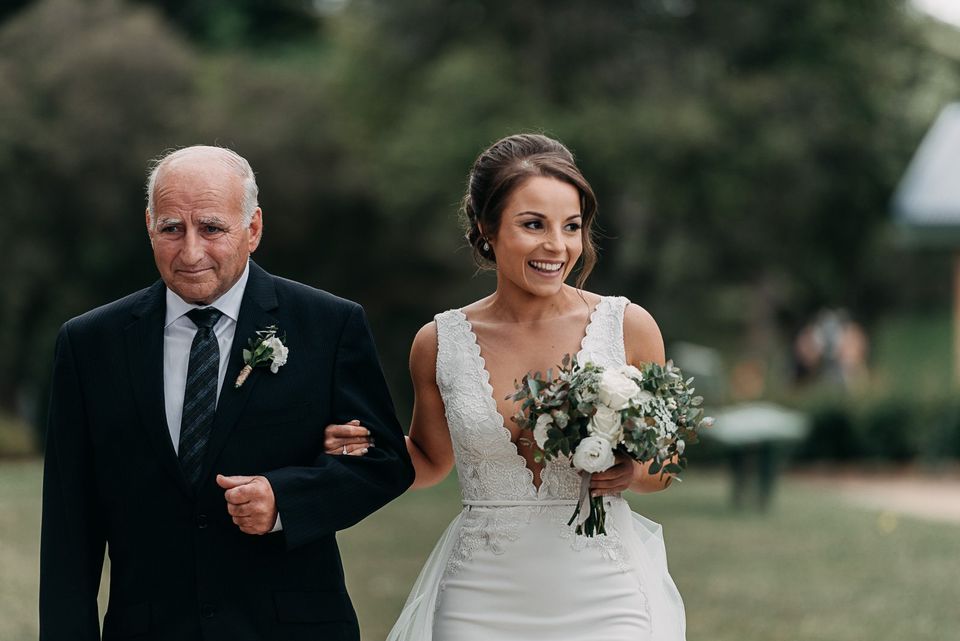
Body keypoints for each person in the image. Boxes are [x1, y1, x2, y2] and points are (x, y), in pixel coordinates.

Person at [39, 145, 414, 641]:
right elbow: (69, 525)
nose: (190, 252)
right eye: (172, 228)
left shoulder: (329, 324)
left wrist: (285, 500)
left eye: (212, 228)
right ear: (149, 225)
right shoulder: (90, 344)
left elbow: (386, 462)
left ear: (253, 228)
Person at [325, 134, 686, 640]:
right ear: (486, 229)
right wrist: (366, 450)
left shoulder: (627, 326)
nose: (556, 246)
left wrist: (633, 470)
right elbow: (430, 461)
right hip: (479, 592)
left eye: (572, 227)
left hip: (604, 591)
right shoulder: (437, 343)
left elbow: (663, 468)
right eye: (533, 224)